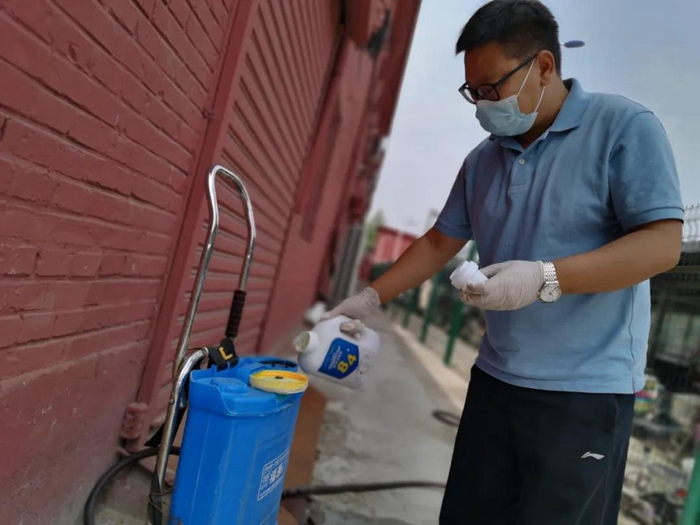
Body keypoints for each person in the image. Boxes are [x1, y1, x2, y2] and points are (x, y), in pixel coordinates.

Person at [322, 0, 685, 523]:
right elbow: (438, 242)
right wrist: (369, 297)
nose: (482, 104)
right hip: (496, 379)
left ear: (543, 66)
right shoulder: (483, 159)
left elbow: (661, 245)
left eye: (492, 88)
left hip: (583, 395)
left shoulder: (624, 128)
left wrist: (545, 278)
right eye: (473, 91)